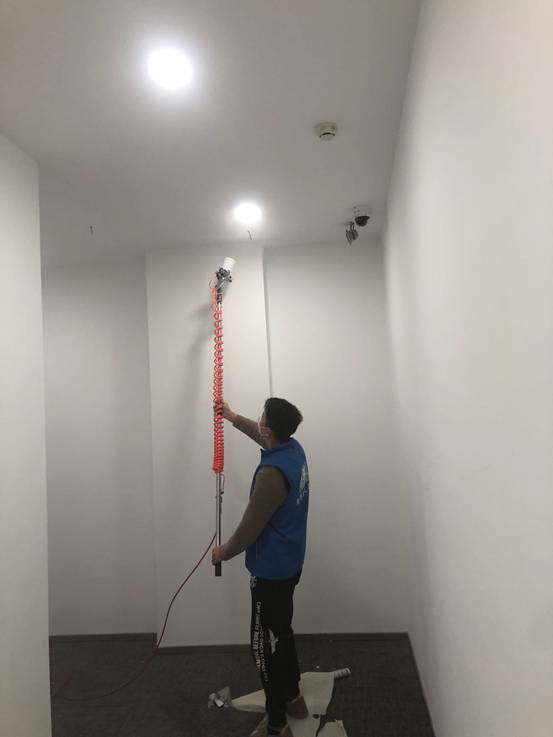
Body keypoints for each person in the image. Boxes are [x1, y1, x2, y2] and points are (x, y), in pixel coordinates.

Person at [212, 397, 310, 737]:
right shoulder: (293, 449)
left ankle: (277, 724)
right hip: (290, 563)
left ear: (270, 430)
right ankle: (294, 699)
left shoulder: (270, 475)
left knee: (262, 647)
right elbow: (262, 435)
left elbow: (248, 530)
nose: (259, 422)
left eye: (262, 418)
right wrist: (231, 416)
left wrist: (222, 553)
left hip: (270, 572)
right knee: (282, 631)